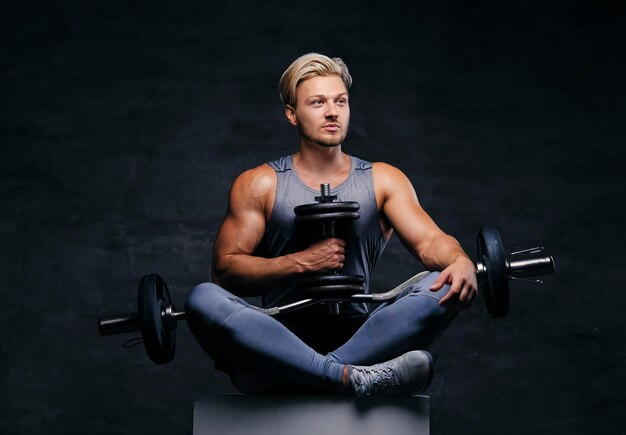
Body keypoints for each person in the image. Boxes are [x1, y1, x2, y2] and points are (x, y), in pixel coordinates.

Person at [185, 53, 477, 396]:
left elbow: (430, 243)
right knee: (203, 297)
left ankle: (305, 375)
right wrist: (302, 262)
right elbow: (226, 270)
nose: (332, 111)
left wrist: (460, 260)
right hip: (276, 334)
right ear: (292, 114)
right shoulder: (259, 183)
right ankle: (351, 377)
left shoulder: (384, 179)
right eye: (317, 102)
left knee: (442, 283)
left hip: (364, 334)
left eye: (340, 101)